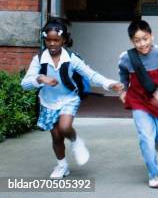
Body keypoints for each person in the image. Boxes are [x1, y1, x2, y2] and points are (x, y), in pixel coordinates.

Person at [21, 17, 123, 179]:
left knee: (65, 127)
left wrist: (109, 84)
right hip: (48, 102)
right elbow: (24, 84)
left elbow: (91, 75)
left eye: (56, 40)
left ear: (64, 40)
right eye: (48, 40)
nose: (52, 44)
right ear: (44, 40)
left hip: (69, 98)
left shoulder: (72, 58)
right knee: (56, 136)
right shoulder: (39, 59)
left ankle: (76, 142)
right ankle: (62, 166)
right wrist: (40, 78)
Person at [118, 19, 158, 189]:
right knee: (146, 137)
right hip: (138, 101)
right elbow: (122, 74)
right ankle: (154, 173)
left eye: (145, 38)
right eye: (137, 41)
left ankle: (150, 152)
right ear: (132, 41)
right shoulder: (126, 57)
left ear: (151, 36)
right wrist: (123, 90)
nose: (142, 43)